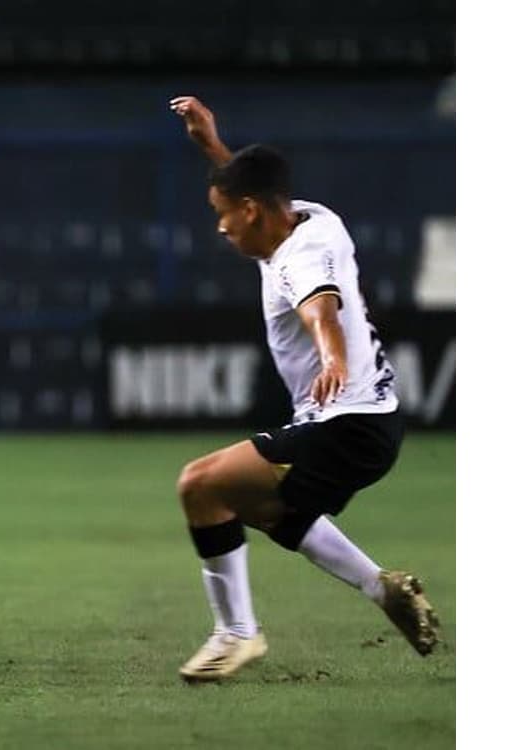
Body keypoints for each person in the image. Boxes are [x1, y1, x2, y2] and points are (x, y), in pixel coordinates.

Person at [166, 95, 439, 682]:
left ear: (252, 212)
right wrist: (212, 145)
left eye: (223, 213)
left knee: (202, 487)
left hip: (346, 423)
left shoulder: (299, 258)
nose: (219, 225)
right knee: (268, 509)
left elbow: (322, 309)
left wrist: (333, 357)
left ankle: (236, 635)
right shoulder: (310, 218)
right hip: (367, 420)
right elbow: (250, 186)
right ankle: (381, 588)